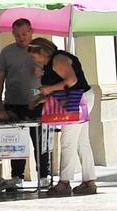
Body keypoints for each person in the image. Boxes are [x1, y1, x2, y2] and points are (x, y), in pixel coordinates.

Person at [31, 36, 97, 195]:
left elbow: (71, 81)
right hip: (82, 98)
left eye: (35, 56)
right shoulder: (52, 62)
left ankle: (65, 182)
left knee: (68, 141)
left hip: (76, 100)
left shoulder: (58, 59)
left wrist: (49, 89)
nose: (34, 60)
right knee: (82, 142)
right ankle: (89, 180)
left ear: (42, 52)